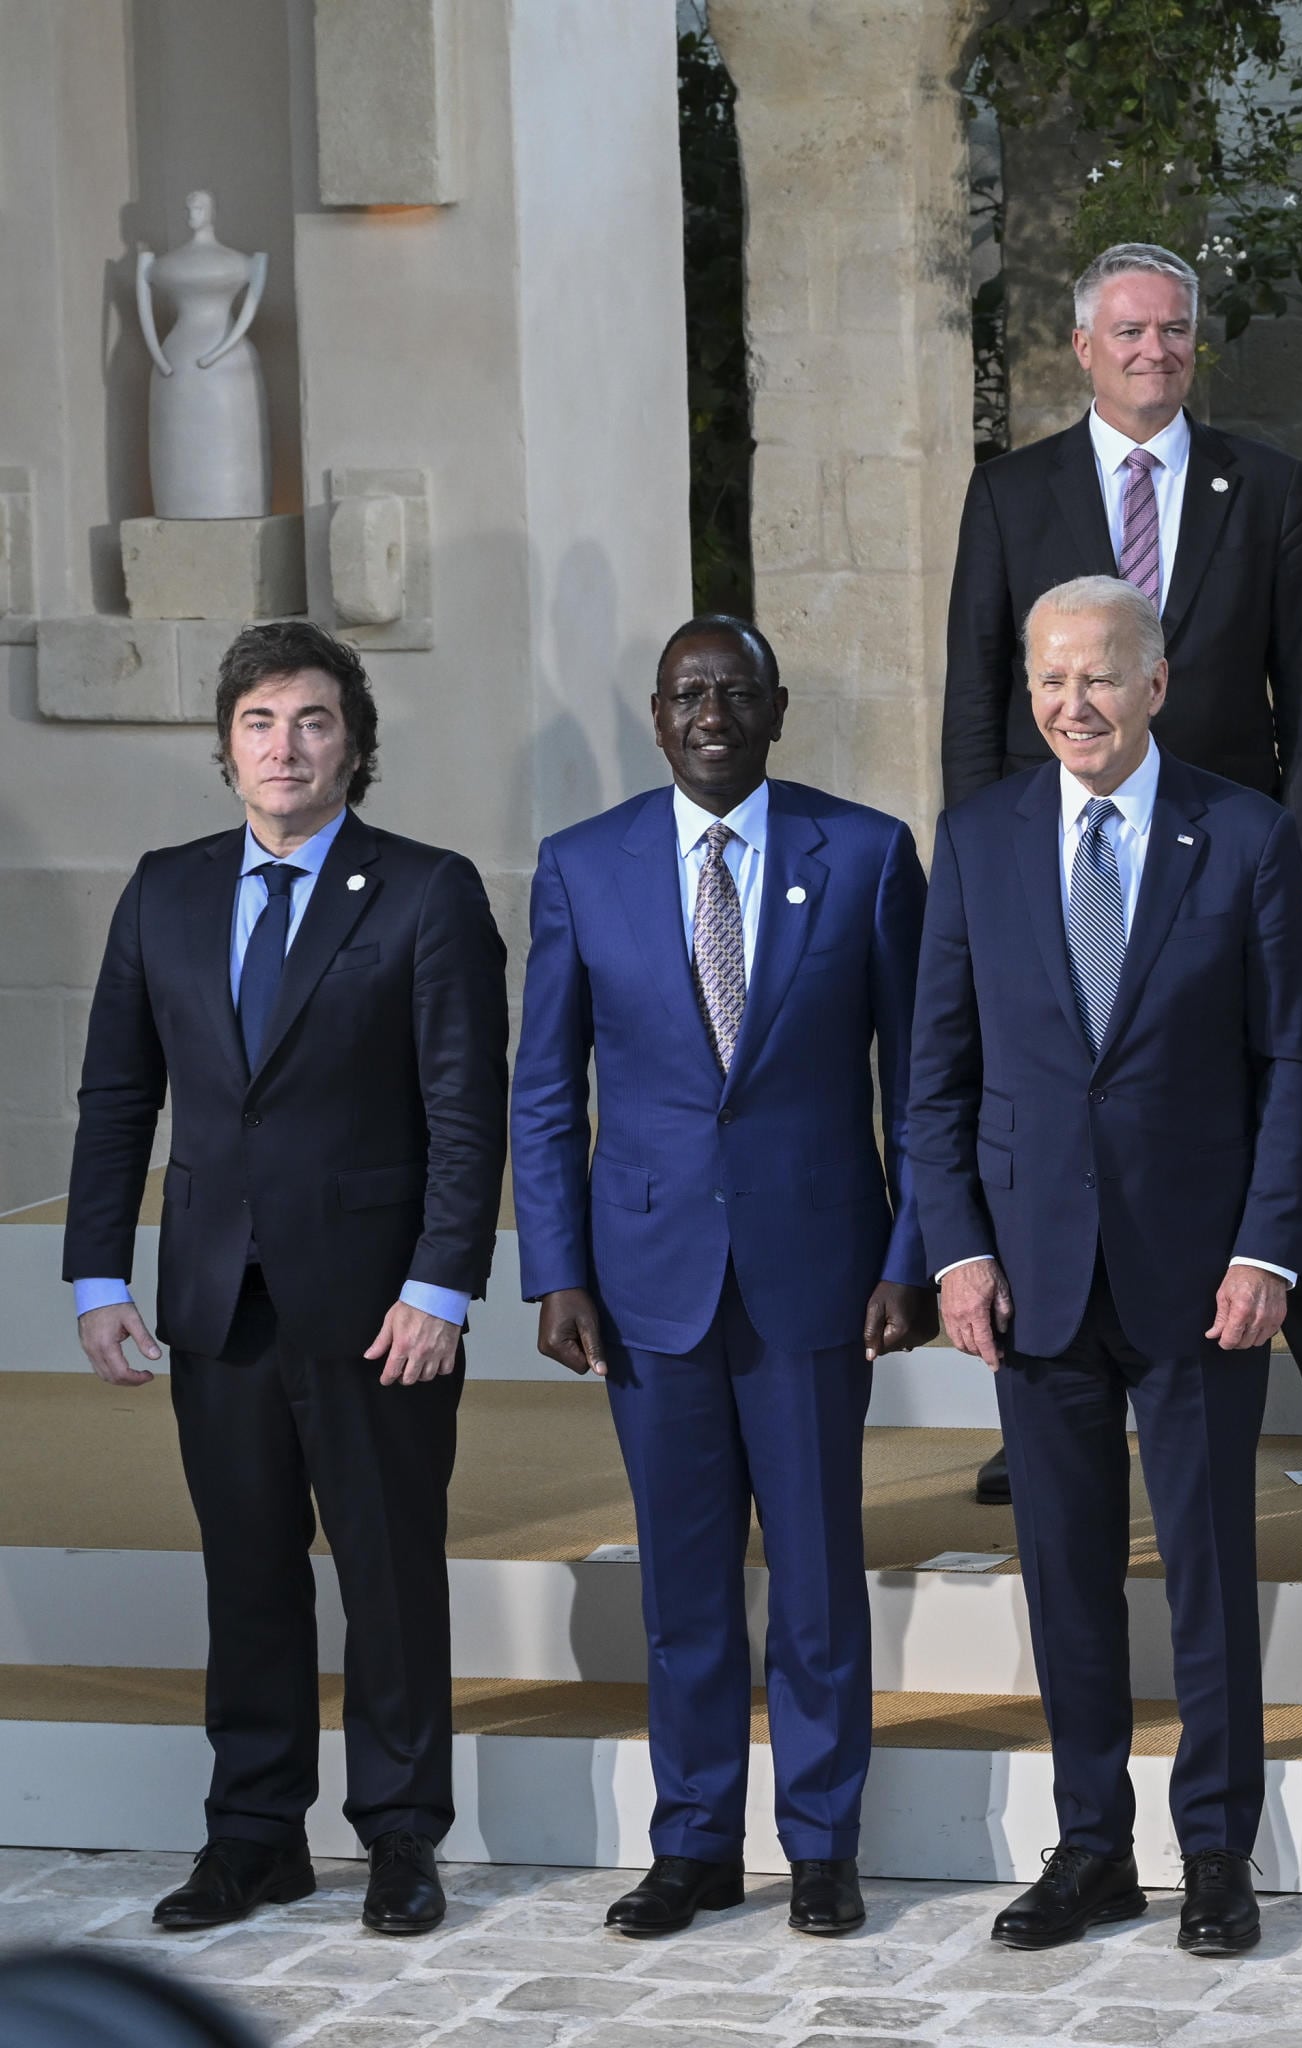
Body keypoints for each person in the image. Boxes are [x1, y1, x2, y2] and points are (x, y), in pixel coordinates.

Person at [909, 574, 1302, 1960]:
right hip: (1031, 1275)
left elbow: (1292, 1068)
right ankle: (1091, 1844)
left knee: (1208, 1570)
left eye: (1098, 676)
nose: (1072, 704)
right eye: (1048, 682)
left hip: (1201, 1272)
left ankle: (1216, 1853)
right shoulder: (976, 840)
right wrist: (957, 1249)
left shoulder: (1248, 836)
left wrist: (1271, 1246)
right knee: (1064, 1573)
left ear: (1156, 682)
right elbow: (935, 1079)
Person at [65, 621, 508, 1938]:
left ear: (354, 745)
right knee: (246, 1576)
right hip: (216, 1302)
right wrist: (98, 1270)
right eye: (260, 723)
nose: (286, 746)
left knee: (388, 1575)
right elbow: (115, 1095)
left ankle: (399, 1840)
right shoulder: (164, 891)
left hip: (380, 1311)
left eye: (313, 720)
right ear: (226, 749)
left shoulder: (425, 892)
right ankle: (254, 1839)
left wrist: (442, 1284)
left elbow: (463, 1108)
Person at [939, 240, 1302, 1499]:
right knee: (1049, 1122)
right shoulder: (1012, 495)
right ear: (1082, 348)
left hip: (1228, 869)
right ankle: (1041, 1382)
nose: (1154, 352)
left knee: (1271, 1121)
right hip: (1062, 864)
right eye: (1128, 333)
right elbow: (978, 694)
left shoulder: (1268, 486)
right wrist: (982, 875)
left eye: (1174, 332)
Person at [512, 617, 936, 1941]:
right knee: (684, 1585)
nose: (712, 710)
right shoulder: (583, 867)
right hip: (646, 1280)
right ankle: (693, 1843)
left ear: (776, 708)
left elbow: (915, 1085)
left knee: (815, 1578)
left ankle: (821, 1844)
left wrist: (911, 1251)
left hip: (818, 1273)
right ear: (655, 715)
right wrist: (556, 1264)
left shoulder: (865, 856)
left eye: (735, 691)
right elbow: (544, 1090)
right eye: (689, 692)